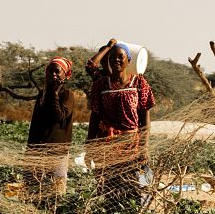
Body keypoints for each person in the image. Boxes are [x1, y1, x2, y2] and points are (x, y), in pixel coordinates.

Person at [85, 38, 155, 203]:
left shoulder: (139, 83)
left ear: (128, 61)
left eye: (120, 57)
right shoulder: (101, 85)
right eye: (112, 58)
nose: (116, 60)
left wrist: (144, 147)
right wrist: (90, 147)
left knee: (133, 183)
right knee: (108, 184)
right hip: (106, 142)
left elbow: (145, 118)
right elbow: (94, 117)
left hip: (130, 143)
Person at [25, 57, 76, 200]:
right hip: (37, 150)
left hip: (56, 151)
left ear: (65, 75)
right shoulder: (42, 94)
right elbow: (35, 123)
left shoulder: (67, 95)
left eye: (57, 71)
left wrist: (53, 93)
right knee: (35, 189)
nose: (53, 74)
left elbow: (58, 116)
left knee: (55, 193)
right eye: (50, 71)